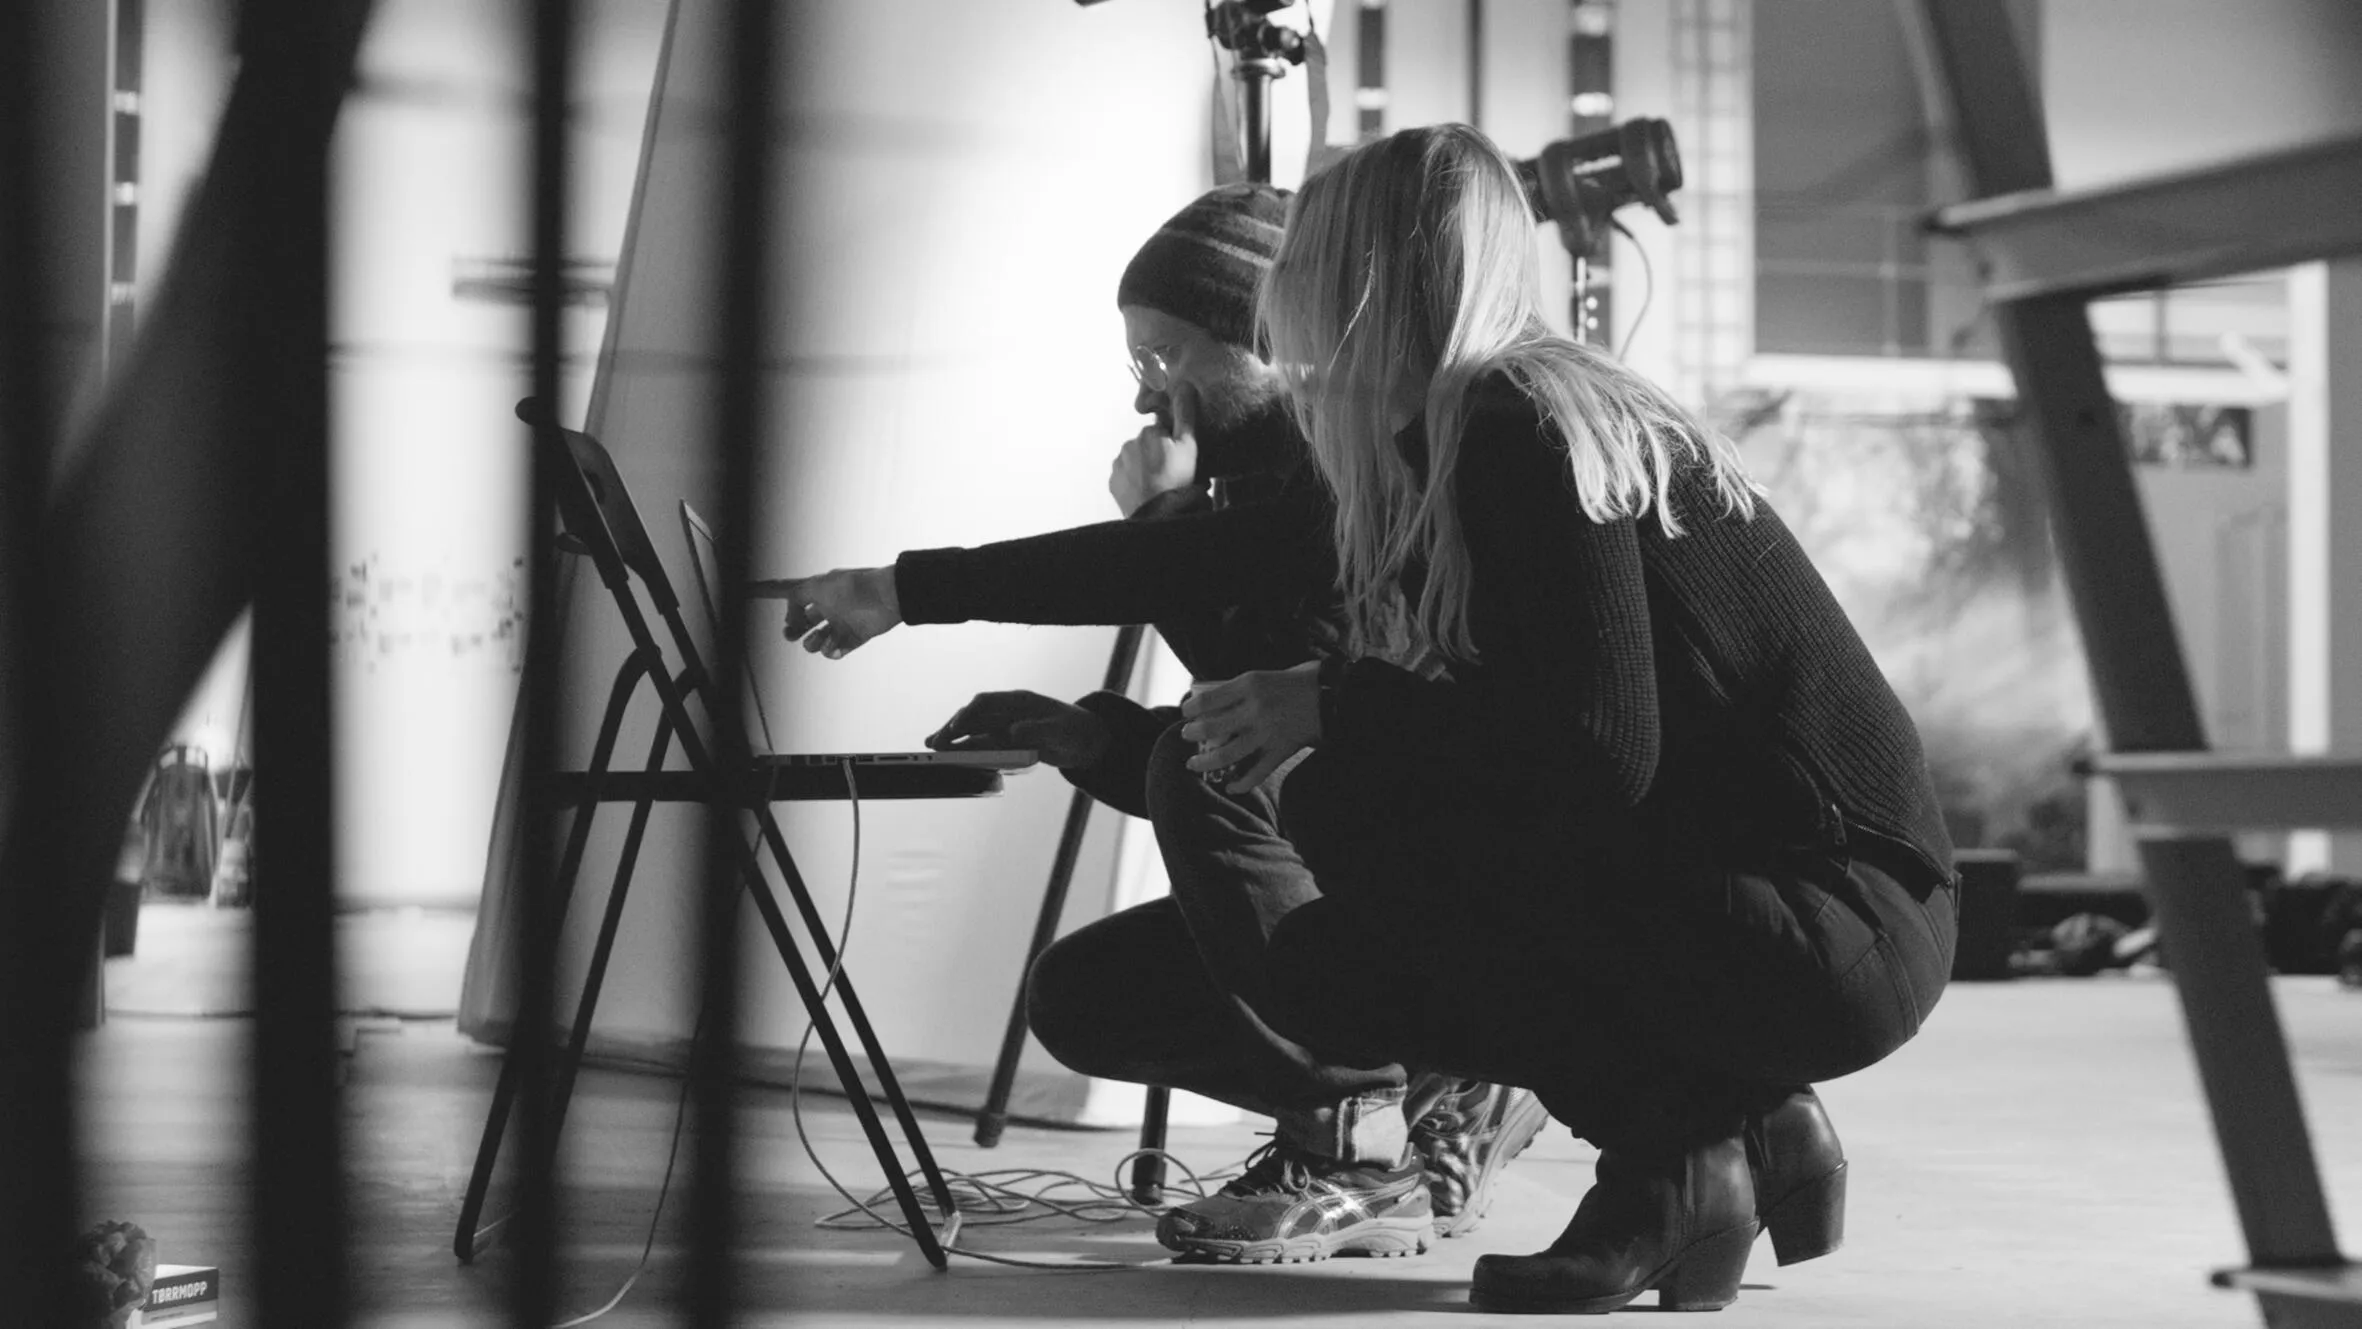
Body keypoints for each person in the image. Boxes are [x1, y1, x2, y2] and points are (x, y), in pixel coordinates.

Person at [765, 123, 1955, 1313]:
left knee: (1362, 866)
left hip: (1830, 926)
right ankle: (1706, 1139)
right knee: (1350, 861)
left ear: (1361, 277)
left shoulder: (1528, 429)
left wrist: (1327, 703)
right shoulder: (1463, 434)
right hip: (1777, 906)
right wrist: (908, 590)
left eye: (1306, 259)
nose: (1282, 291)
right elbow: (1220, 568)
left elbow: (1596, 752)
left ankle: (1669, 1146)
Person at [780, 184, 1550, 1262]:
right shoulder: (1253, 491)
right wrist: (1091, 738)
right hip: (1378, 864)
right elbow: (1268, 736)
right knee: (1086, 997)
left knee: (1208, 773)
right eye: (1137, 363)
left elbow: (1278, 731)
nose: (1151, 397)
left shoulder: (1356, 479)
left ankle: (1366, 1142)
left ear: (1268, 348)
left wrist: (1150, 528)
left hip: (1455, 891)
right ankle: (1429, 1089)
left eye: (1168, 356)